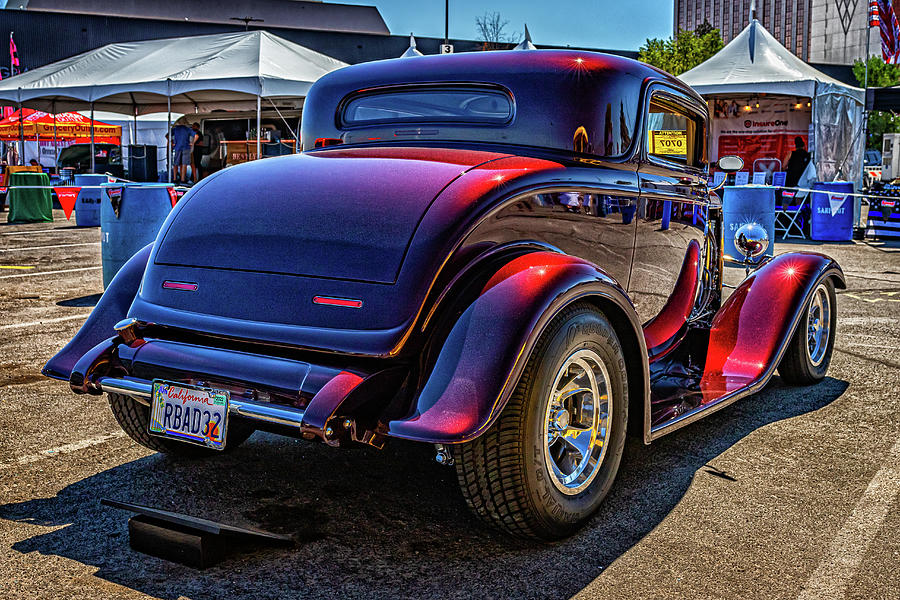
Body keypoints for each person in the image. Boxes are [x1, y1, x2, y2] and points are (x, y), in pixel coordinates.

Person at [169, 119, 196, 184]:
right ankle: (182, 179)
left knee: (176, 163)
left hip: (177, 147)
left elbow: (167, 135)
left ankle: (175, 178)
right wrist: (192, 143)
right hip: (186, 147)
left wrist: (172, 142)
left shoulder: (175, 129)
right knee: (184, 164)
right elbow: (195, 135)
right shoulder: (188, 129)